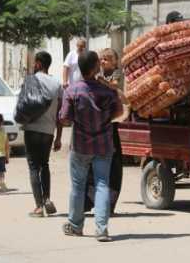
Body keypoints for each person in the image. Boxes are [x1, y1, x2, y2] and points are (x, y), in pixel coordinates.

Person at [60, 50, 123, 242]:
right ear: (96, 67)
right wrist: (104, 121)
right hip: (104, 145)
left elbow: (64, 118)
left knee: (78, 186)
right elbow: (119, 111)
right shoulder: (108, 90)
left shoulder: (72, 90)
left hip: (80, 145)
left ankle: (76, 225)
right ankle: (102, 229)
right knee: (102, 184)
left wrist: (79, 120)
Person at [20, 51, 64, 218]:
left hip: (32, 130)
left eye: (34, 63)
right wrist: (59, 137)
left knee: (33, 166)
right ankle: (47, 199)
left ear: (38, 63)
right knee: (44, 164)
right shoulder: (57, 84)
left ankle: (39, 207)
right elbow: (61, 113)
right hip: (48, 131)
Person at [84, 48, 125, 213]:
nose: (104, 62)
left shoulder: (116, 74)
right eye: (101, 59)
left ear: (115, 62)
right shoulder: (95, 76)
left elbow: (115, 86)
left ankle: (110, 203)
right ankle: (91, 201)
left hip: (112, 122)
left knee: (113, 163)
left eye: (108, 59)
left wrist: (103, 82)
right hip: (97, 124)